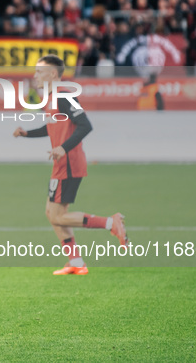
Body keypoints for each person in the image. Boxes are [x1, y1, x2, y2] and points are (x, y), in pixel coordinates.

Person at [13, 55, 128, 275]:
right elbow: (52, 129)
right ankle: (75, 262)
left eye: (39, 71)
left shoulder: (64, 96)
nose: (34, 75)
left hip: (69, 162)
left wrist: (63, 148)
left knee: (56, 215)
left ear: (53, 74)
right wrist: (26, 133)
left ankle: (110, 223)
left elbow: (85, 125)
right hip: (61, 162)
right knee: (51, 212)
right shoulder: (51, 99)